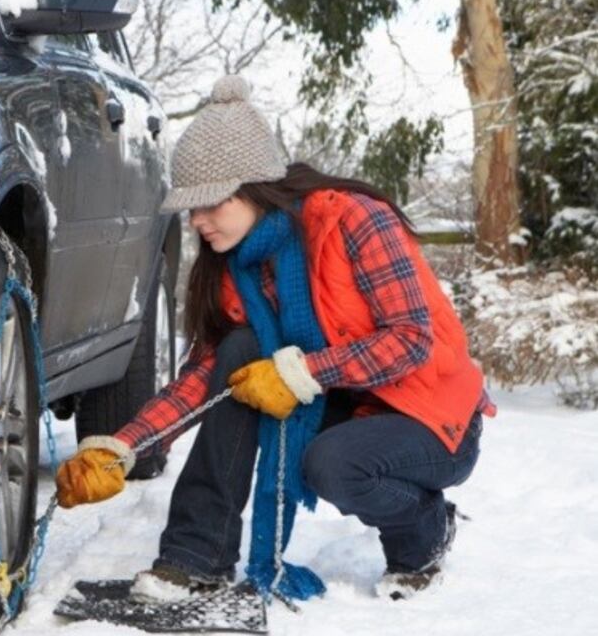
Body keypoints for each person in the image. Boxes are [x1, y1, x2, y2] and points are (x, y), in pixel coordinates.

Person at [55, 75, 495, 603]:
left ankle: (425, 531)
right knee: (240, 354)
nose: (197, 221)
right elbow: (206, 377)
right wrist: (123, 446)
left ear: (255, 189)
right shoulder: (238, 266)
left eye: (210, 203)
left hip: (432, 420)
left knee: (332, 464)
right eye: (190, 208)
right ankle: (196, 555)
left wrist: (303, 372)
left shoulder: (353, 220)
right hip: (350, 406)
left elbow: (410, 340)